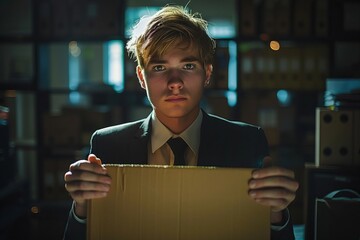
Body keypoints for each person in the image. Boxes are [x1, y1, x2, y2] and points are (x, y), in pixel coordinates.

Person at [63, 5, 299, 240]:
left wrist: (276, 212)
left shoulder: (246, 142)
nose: (175, 82)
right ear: (141, 77)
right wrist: (82, 208)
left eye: (188, 66)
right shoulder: (108, 144)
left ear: (207, 74)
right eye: (159, 67)